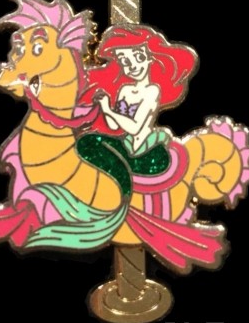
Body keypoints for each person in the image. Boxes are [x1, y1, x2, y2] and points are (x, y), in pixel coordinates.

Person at [77, 25, 197, 197]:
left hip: (147, 150)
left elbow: (134, 127)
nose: (132, 66)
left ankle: (122, 191)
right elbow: (113, 126)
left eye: (138, 57)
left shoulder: (152, 91)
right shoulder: (125, 89)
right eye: (125, 61)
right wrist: (105, 109)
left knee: (154, 162)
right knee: (86, 143)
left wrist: (108, 109)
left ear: (150, 58)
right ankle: (115, 185)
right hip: (125, 145)